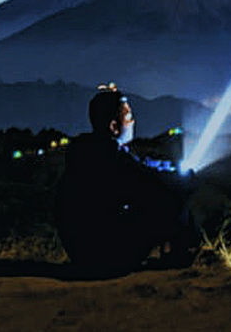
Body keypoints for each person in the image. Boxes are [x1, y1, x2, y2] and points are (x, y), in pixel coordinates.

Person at [55, 85, 197, 274]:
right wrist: (182, 179)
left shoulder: (90, 151)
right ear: (114, 126)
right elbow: (149, 180)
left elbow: (142, 166)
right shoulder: (110, 158)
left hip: (81, 251)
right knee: (174, 195)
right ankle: (177, 258)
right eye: (128, 117)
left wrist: (166, 167)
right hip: (104, 253)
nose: (133, 121)